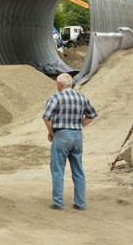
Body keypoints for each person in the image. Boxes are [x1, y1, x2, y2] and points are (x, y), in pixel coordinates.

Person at [42, 73, 98, 210]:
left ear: (60, 85)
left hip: (61, 135)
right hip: (77, 136)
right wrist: (79, 125)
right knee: (78, 170)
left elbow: (46, 117)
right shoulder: (81, 97)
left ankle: (58, 202)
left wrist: (51, 132)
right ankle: (80, 203)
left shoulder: (56, 97)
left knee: (58, 170)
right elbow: (92, 115)